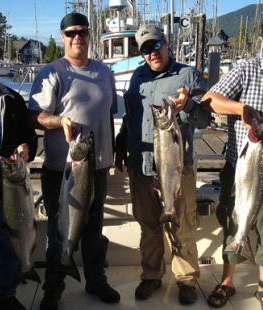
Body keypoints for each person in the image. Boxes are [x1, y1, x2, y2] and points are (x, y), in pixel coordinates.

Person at [28, 12, 120, 310]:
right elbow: (34, 117)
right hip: (62, 169)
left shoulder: (105, 72)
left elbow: (107, 114)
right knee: (59, 231)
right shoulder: (52, 72)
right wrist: (59, 120)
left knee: (94, 230)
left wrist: (114, 152)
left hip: (99, 165)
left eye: (82, 31)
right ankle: (53, 288)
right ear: (62, 37)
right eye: (71, 33)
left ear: (90, 35)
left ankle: (95, 280)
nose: (77, 37)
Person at [115, 24, 211, 305]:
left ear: (166, 43)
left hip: (177, 169)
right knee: (149, 225)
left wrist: (189, 107)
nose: (152, 53)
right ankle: (152, 275)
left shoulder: (188, 75)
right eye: (146, 49)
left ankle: (186, 279)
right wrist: (121, 147)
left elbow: (205, 120)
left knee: (182, 226)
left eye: (156, 45)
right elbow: (130, 121)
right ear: (141, 54)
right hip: (141, 167)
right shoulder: (137, 78)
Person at [200, 30, 263, 308]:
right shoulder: (246, 68)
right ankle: (227, 281)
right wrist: (242, 109)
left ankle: (262, 286)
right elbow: (210, 100)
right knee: (233, 222)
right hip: (242, 166)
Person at [0, 43, 37, 310]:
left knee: (8, 242)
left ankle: (6, 294)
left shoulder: (9, 97)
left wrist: (26, 146)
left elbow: (27, 134)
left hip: (4, 181)